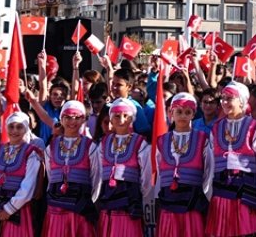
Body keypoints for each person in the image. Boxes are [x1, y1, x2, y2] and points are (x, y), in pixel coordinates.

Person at [206, 82, 256, 237]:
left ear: (242, 101)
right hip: (222, 192)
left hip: (245, 192)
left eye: (229, 98)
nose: (224, 102)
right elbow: (210, 162)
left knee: (245, 232)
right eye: (222, 98)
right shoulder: (216, 128)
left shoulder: (254, 128)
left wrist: (250, 184)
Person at [155, 93, 212, 237]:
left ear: (193, 114)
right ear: (171, 113)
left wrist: (203, 194)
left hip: (192, 199)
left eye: (188, 112)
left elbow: (208, 170)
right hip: (169, 198)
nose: (183, 116)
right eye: (179, 111)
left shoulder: (202, 139)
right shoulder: (162, 141)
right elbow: (158, 169)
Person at [94, 99, 152, 237]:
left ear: (132, 119)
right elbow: (98, 171)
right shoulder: (104, 142)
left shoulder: (140, 142)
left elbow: (146, 175)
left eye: (126, 116)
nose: (121, 120)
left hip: (129, 197)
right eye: (117, 116)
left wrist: (141, 198)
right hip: (107, 195)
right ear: (111, 120)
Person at [43, 101, 96, 237]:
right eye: (67, 117)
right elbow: (50, 176)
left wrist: (88, 203)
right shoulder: (51, 147)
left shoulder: (91, 146)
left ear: (83, 119)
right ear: (61, 119)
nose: (72, 121)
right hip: (56, 208)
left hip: (80, 208)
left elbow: (96, 178)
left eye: (77, 117)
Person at [0, 112, 41, 237]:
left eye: (19, 127)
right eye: (11, 126)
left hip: (19, 209)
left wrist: (9, 209)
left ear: (26, 129)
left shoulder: (31, 153)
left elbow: (29, 185)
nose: (14, 130)